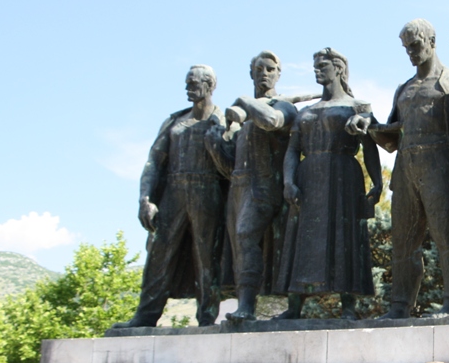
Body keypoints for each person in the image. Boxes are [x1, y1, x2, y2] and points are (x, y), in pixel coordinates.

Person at [356, 19, 449, 318]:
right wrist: (369, 125)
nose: (411, 52)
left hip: (443, 168)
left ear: (432, 40)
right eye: (406, 48)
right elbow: (392, 137)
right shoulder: (404, 89)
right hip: (405, 172)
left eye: (415, 45)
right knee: (403, 242)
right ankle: (400, 305)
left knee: (447, 240)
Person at [113, 65, 227, 328]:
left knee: (207, 256)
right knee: (159, 254)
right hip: (173, 192)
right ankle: (146, 314)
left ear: (209, 85)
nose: (187, 87)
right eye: (187, 82)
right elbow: (154, 161)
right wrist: (146, 198)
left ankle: (207, 317)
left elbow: (230, 164)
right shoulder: (174, 121)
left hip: (207, 190)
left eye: (193, 82)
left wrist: (218, 141)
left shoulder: (221, 120)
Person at [274, 48, 383, 320]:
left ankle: (348, 305)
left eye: (322, 66)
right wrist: (288, 181)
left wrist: (378, 182)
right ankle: (294, 305)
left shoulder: (358, 107)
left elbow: (370, 147)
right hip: (308, 177)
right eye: (315, 66)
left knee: (344, 236)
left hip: (344, 176)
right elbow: (292, 150)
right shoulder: (305, 112)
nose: (317, 70)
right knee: (301, 239)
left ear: (339, 69)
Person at [207, 52, 298, 322]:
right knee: (238, 245)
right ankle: (244, 303)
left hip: (267, 186)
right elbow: (230, 165)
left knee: (247, 236)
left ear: (279, 74)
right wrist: (215, 144)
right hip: (240, 188)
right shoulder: (245, 118)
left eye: (271, 69)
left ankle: (247, 306)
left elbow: (272, 121)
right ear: (251, 73)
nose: (265, 73)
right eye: (259, 68)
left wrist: (246, 101)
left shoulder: (284, 106)